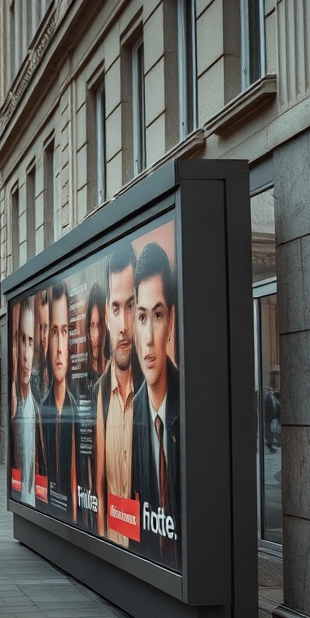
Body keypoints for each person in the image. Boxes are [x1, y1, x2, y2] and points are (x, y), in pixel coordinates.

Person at [130, 241, 180, 569]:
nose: (148, 336)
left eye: (158, 315)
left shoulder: (190, 405)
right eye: (142, 317)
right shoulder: (130, 413)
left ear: (171, 322)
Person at [92, 243, 143, 544]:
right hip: (111, 540)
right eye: (116, 308)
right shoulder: (99, 393)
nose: (123, 325)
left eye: (131, 304)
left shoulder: (152, 392)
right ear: (108, 313)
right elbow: (98, 484)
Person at [39, 280, 78, 523]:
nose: (60, 347)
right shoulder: (42, 408)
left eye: (65, 330)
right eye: (54, 331)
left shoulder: (80, 409)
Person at [13, 297, 37, 504]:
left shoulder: (37, 408)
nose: (26, 355)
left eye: (31, 341)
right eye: (22, 339)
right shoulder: (14, 409)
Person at [86, 283, 107, 386]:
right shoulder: (84, 371)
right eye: (92, 325)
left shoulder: (112, 369)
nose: (96, 334)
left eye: (100, 324)